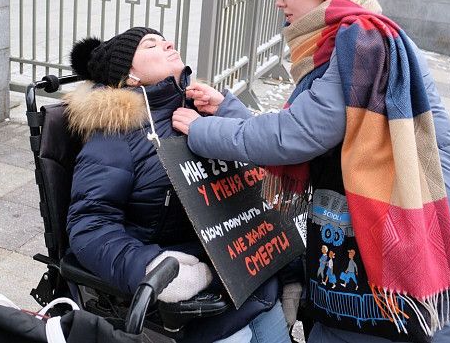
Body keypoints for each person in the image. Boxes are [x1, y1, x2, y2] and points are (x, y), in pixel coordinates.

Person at [171, 0, 450, 343]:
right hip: (429, 215)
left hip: (418, 227)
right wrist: (229, 110)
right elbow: (316, 124)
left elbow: (298, 135)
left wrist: (203, 129)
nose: (279, 1)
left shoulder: (360, 37)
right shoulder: (361, 34)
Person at [64, 27, 290, 343]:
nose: (169, 43)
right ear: (130, 75)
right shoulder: (115, 139)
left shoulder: (199, 113)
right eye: (151, 45)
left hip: (238, 270)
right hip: (180, 287)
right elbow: (88, 225)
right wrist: (153, 268)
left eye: (165, 38)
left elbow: (253, 173)